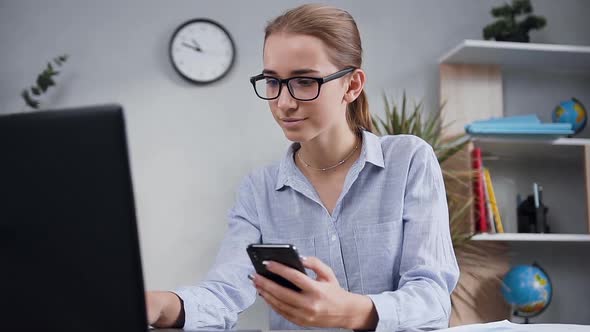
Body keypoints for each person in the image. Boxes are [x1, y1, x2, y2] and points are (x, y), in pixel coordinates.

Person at [146, 4, 459, 331]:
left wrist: (350, 311)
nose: (284, 103)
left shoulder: (408, 160)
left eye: (305, 82)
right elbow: (223, 293)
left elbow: (433, 298)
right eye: (272, 82)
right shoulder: (259, 190)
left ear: (352, 86)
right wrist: (157, 304)